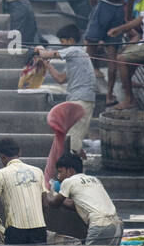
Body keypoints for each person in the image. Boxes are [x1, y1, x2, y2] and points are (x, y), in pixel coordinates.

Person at [0, 138, 48, 244]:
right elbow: (45, 203)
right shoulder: (38, 171)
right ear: (19, 152)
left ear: (2, 156)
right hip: (40, 229)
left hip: (16, 230)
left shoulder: (1, 174)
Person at [34, 24, 97, 155]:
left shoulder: (76, 51)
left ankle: (75, 168)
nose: (62, 45)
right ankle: (78, 161)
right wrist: (47, 65)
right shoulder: (74, 59)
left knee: (73, 138)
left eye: (63, 42)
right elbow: (61, 79)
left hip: (82, 99)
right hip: (76, 99)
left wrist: (40, 51)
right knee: (72, 137)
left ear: (71, 40)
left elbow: (54, 53)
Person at [85, 0, 134, 104]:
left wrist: (95, 9)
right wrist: (127, 17)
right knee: (112, 54)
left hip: (103, 7)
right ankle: (109, 95)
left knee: (89, 42)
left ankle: (95, 70)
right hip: (119, 10)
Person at [46, 152, 123, 245]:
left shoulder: (69, 181)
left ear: (70, 171)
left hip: (99, 224)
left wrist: (49, 192)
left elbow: (54, 203)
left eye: (60, 171)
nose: (58, 176)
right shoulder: (94, 179)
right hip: (117, 224)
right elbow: (75, 205)